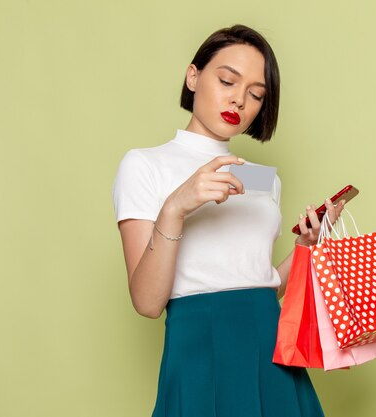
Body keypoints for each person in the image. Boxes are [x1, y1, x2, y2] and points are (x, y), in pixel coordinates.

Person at [112, 24, 345, 417]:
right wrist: (176, 207)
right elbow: (148, 302)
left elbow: (260, 285)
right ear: (193, 76)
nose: (239, 100)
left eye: (256, 94)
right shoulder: (145, 164)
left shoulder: (263, 178)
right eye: (227, 80)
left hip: (270, 346)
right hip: (199, 346)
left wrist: (306, 245)